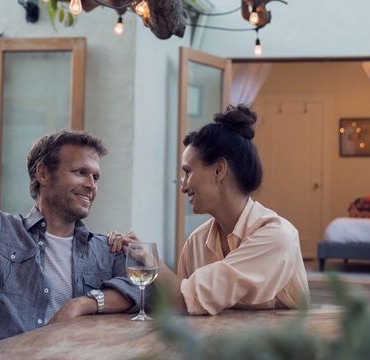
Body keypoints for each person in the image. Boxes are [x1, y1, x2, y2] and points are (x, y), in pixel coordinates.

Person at [0, 130, 140, 359]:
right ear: (43, 174)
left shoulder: (106, 248)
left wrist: (81, 304)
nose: (91, 185)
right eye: (81, 172)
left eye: (95, 177)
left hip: (66, 354)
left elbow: (141, 290)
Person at [108, 104, 311, 315]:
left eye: (188, 172)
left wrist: (151, 260)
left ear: (218, 170)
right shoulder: (196, 243)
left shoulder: (276, 237)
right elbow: (181, 311)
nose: (183, 186)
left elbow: (182, 301)